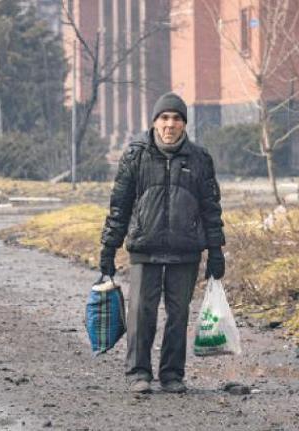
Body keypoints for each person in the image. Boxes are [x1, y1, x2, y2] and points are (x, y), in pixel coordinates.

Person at [98, 92, 226, 394]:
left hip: (185, 251)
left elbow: (211, 207)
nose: (170, 124)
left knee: (178, 314)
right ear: (155, 121)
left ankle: (172, 375)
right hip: (145, 247)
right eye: (164, 118)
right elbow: (120, 205)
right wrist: (109, 246)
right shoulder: (135, 155)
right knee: (142, 312)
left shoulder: (199, 159)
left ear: (184, 124)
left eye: (177, 118)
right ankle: (138, 372)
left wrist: (216, 250)